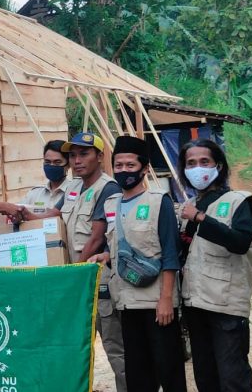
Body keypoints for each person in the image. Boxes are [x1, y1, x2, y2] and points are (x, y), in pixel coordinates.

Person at [88, 136, 186, 392]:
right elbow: (124, 246)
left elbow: (170, 253)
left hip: (155, 302)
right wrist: (106, 256)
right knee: (138, 372)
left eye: (130, 166)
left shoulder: (158, 201)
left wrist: (166, 299)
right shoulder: (112, 203)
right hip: (126, 301)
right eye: (118, 165)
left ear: (144, 168)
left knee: (169, 368)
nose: (124, 171)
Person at [178, 138, 252, 392]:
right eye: (191, 163)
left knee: (233, 377)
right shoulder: (189, 206)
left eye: (205, 162)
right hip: (195, 303)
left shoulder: (238, 200)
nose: (198, 168)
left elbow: (240, 242)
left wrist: (201, 219)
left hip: (226, 305)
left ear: (219, 166)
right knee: (206, 376)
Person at [54, 132, 127, 391]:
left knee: (115, 349)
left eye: (83, 154)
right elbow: (53, 216)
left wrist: (72, 275)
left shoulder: (108, 188)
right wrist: (22, 214)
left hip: (98, 280)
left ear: (99, 156)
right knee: (75, 348)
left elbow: (96, 238)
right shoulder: (73, 187)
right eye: (72, 155)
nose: (76, 161)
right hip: (76, 280)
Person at [18, 140, 71, 215]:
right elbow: (17, 212)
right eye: (47, 162)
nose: (52, 165)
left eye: (57, 162)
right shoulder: (35, 193)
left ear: (68, 165)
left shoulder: (74, 192)